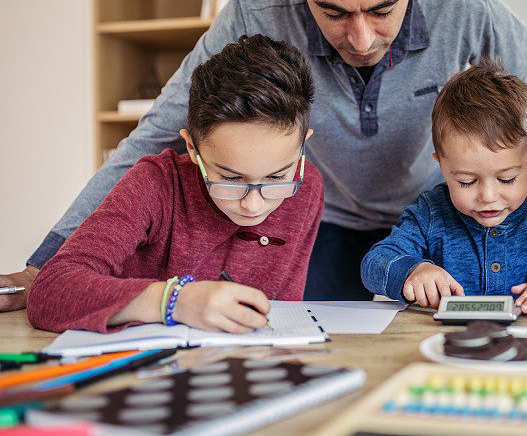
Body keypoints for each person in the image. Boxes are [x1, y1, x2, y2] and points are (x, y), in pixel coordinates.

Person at [0, 0, 527, 308]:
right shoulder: (255, 7)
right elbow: (156, 134)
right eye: (334, 12)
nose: (362, 38)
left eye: (383, 9)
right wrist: (48, 259)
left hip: (438, 217)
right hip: (322, 221)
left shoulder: (467, 7)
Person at [26, 35, 323, 333]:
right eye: (230, 178)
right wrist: (172, 300)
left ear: (302, 148)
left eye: (276, 177)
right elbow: (49, 290)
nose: (253, 204)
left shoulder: (307, 186)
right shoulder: (154, 183)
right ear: (193, 149)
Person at [361, 60, 527, 317]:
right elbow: (374, 263)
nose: (488, 197)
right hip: (447, 347)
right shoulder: (429, 212)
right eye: (466, 182)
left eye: (506, 179)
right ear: (443, 166)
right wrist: (414, 271)